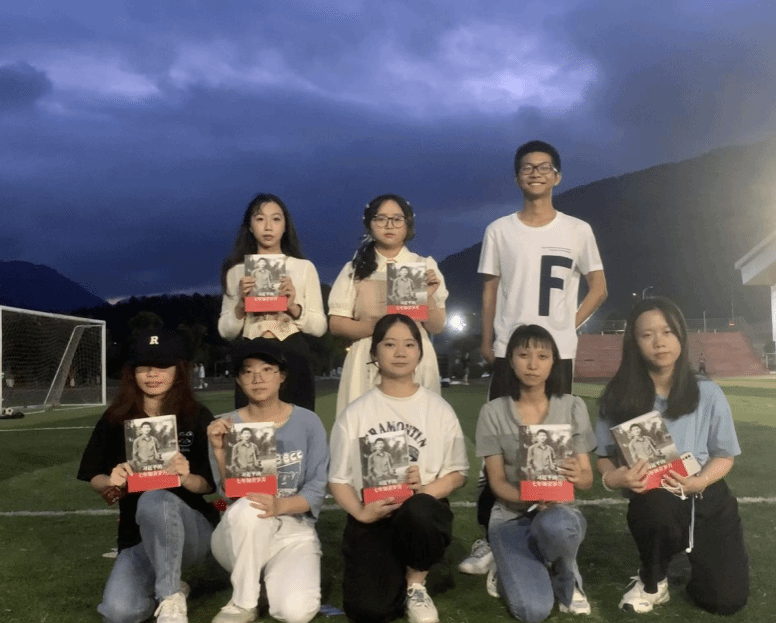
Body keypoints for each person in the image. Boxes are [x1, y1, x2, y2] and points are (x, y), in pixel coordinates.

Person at [463, 140, 608, 577]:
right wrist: (488, 339)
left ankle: (551, 530)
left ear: (557, 176)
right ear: (517, 177)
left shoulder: (578, 230)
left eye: (544, 167)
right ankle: (491, 535)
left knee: (554, 442)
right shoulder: (500, 229)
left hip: (556, 354)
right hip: (510, 349)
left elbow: (599, 287)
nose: (536, 173)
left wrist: (567, 325)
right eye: (527, 167)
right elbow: (490, 289)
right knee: (501, 444)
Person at [596, 297, 749, 615]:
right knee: (656, 509)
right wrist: (614, 478)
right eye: (647, 334)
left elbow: (724, 456)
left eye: (667, 331)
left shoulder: (708, 392)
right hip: (655, 496)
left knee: (726, 601)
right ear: (634, 342)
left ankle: (694, 559)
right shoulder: (617, 396)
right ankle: (653, 578)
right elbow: (604, 455)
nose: (659, 342)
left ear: (680, 335)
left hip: (705, 494)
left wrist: (700, 481)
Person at [329, 314, 469, 623]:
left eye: (409, 345)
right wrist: (361, 512)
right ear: (374, 353)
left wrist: (424, 491)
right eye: (390, 344)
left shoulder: (439, 409)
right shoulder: (355, 413)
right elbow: (337, 479)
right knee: (369, 610)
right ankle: (393, 574)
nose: (400, 352)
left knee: (419, 511)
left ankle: (416, 582)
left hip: (420, 513)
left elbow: (457, 473)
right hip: (374, 512)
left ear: (420, 352)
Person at [77, 329, 218, 623]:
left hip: (192, 531)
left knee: (155, 499)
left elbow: (208, 485)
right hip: (138, 534)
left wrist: (185, 477)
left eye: (162, 366)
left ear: (178, 371)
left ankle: (170, 595)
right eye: (143, 367)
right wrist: (110, 481)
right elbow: (93, 476)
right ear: (132, 372)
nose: (152, 374)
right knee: (119, 613)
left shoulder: (196, 415)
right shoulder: (115, 418)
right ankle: (173, 584)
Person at [475, 324, 595, 620]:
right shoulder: (492, 412)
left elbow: (587, 480)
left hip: (558, 512)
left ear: (553, 362)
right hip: (511, 515)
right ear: (510, 360)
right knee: (532, 610)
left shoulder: (572, 406)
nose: (532, 364)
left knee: (556, 525)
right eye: (523, 355)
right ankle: (506, 564)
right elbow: (497, 482)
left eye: (542, 356)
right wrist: (531, 496)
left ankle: (565, 575)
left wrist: (575, 474)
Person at [207, 338, 328, 623]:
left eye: (267, 369)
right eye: (247, 371)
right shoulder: (226, 425)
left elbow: (316, 489)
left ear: (281, 376)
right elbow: (230, 495)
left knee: (295, 613)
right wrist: (219, 451)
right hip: (242, 530)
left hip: (292, 529)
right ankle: (243, 602)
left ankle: (264, 576)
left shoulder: (308, 422)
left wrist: (280, 506)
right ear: (239, 380)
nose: (257, 378)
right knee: (252, 507)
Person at [328, 194, 448, 415]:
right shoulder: (354, 268)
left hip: (414, 356)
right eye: (381, 219)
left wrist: (427, 296)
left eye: (397, 219)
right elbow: (336, 324)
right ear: (369, 224)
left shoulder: (423, 265)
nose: (389, 225)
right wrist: (379, 328)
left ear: (408, 224)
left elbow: (437, 326)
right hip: (367, 358)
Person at [219, 193, 327, 412]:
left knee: (297, 426)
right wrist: (241, 306)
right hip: (251, 356)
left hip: (293, 353)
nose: (268, 227)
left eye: (276, 219)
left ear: (285, 226)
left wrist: (293, 307)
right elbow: (225, 331)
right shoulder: (237, 272)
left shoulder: (303, 268)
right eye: (260, 219)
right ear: (249, 226)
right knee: (253, 428)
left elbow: (319, 327)